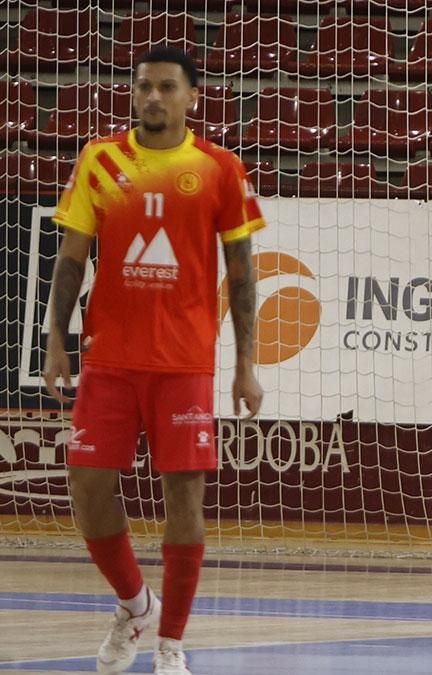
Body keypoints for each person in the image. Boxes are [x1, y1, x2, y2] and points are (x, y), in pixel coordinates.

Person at [41, 47, 264, 675]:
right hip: (109, 359)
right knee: (86, 488)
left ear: (194, 96)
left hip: (185, 363)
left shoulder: (219, 168)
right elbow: (70, 257)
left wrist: (247, 364)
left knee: (184, 502)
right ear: (133, 94)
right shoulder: (99, 159)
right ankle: (135, 604)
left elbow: (242, 274)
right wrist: (56, 341)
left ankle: (169, 644)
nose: (153, 98)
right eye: (143, 87)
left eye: (167, 87)